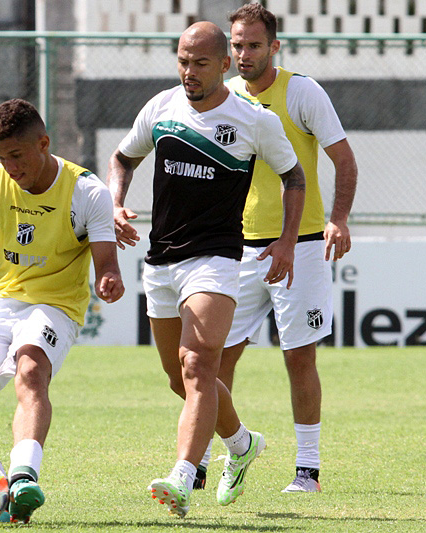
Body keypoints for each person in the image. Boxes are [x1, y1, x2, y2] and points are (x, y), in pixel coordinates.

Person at [106, 21, 305, 517]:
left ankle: (181, 474)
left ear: (223, 65)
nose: (188, 72)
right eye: (182, 61)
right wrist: (114, 203)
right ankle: (241, 444)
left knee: (199, 366)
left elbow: (294, 176)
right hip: (160, 260)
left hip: (216, 259)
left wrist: (286, 242)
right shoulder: (160, 107)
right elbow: (123, 157)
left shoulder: (254, 119)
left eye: (199, 63)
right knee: (179, 378)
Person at [0, 99, 124, 524]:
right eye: (1, 158)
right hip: (1, 303)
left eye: (16, 156)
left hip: (56, 306)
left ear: (43, 143)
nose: (10, 167)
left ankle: (23, 477)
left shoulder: (87, 191)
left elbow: (107, 262)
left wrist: (108, 278)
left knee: (30, 369)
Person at [217, 3, 358, 494]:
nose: (243, 54)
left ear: (274, 46)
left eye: (253, 45)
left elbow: (344, 160)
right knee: (216, 360)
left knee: (298, 356)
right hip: (236, 250)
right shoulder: (224, 97)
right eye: (236, 45)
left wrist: (338, 220)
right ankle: (230, 453)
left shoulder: (302, 91)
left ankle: (308, 470)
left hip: (301, 245)